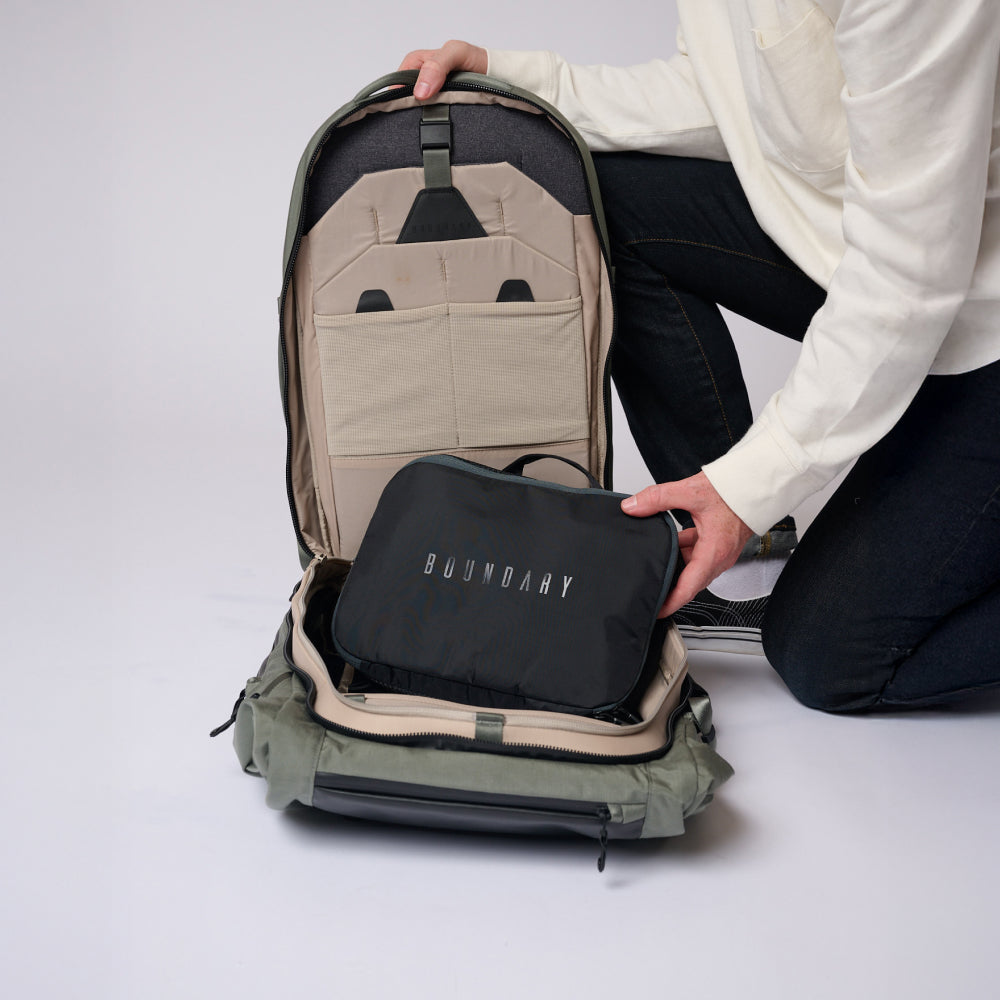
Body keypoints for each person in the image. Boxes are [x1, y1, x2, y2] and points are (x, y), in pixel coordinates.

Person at [399, 0, 1000, 713]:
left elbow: (911, 277)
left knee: (826, 656)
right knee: (603, 198)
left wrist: (752, 482)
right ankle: (739, 531)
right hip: (883, 266)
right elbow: (721, 93)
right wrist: (519, 81)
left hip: (971, 319)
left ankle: (746, 503)